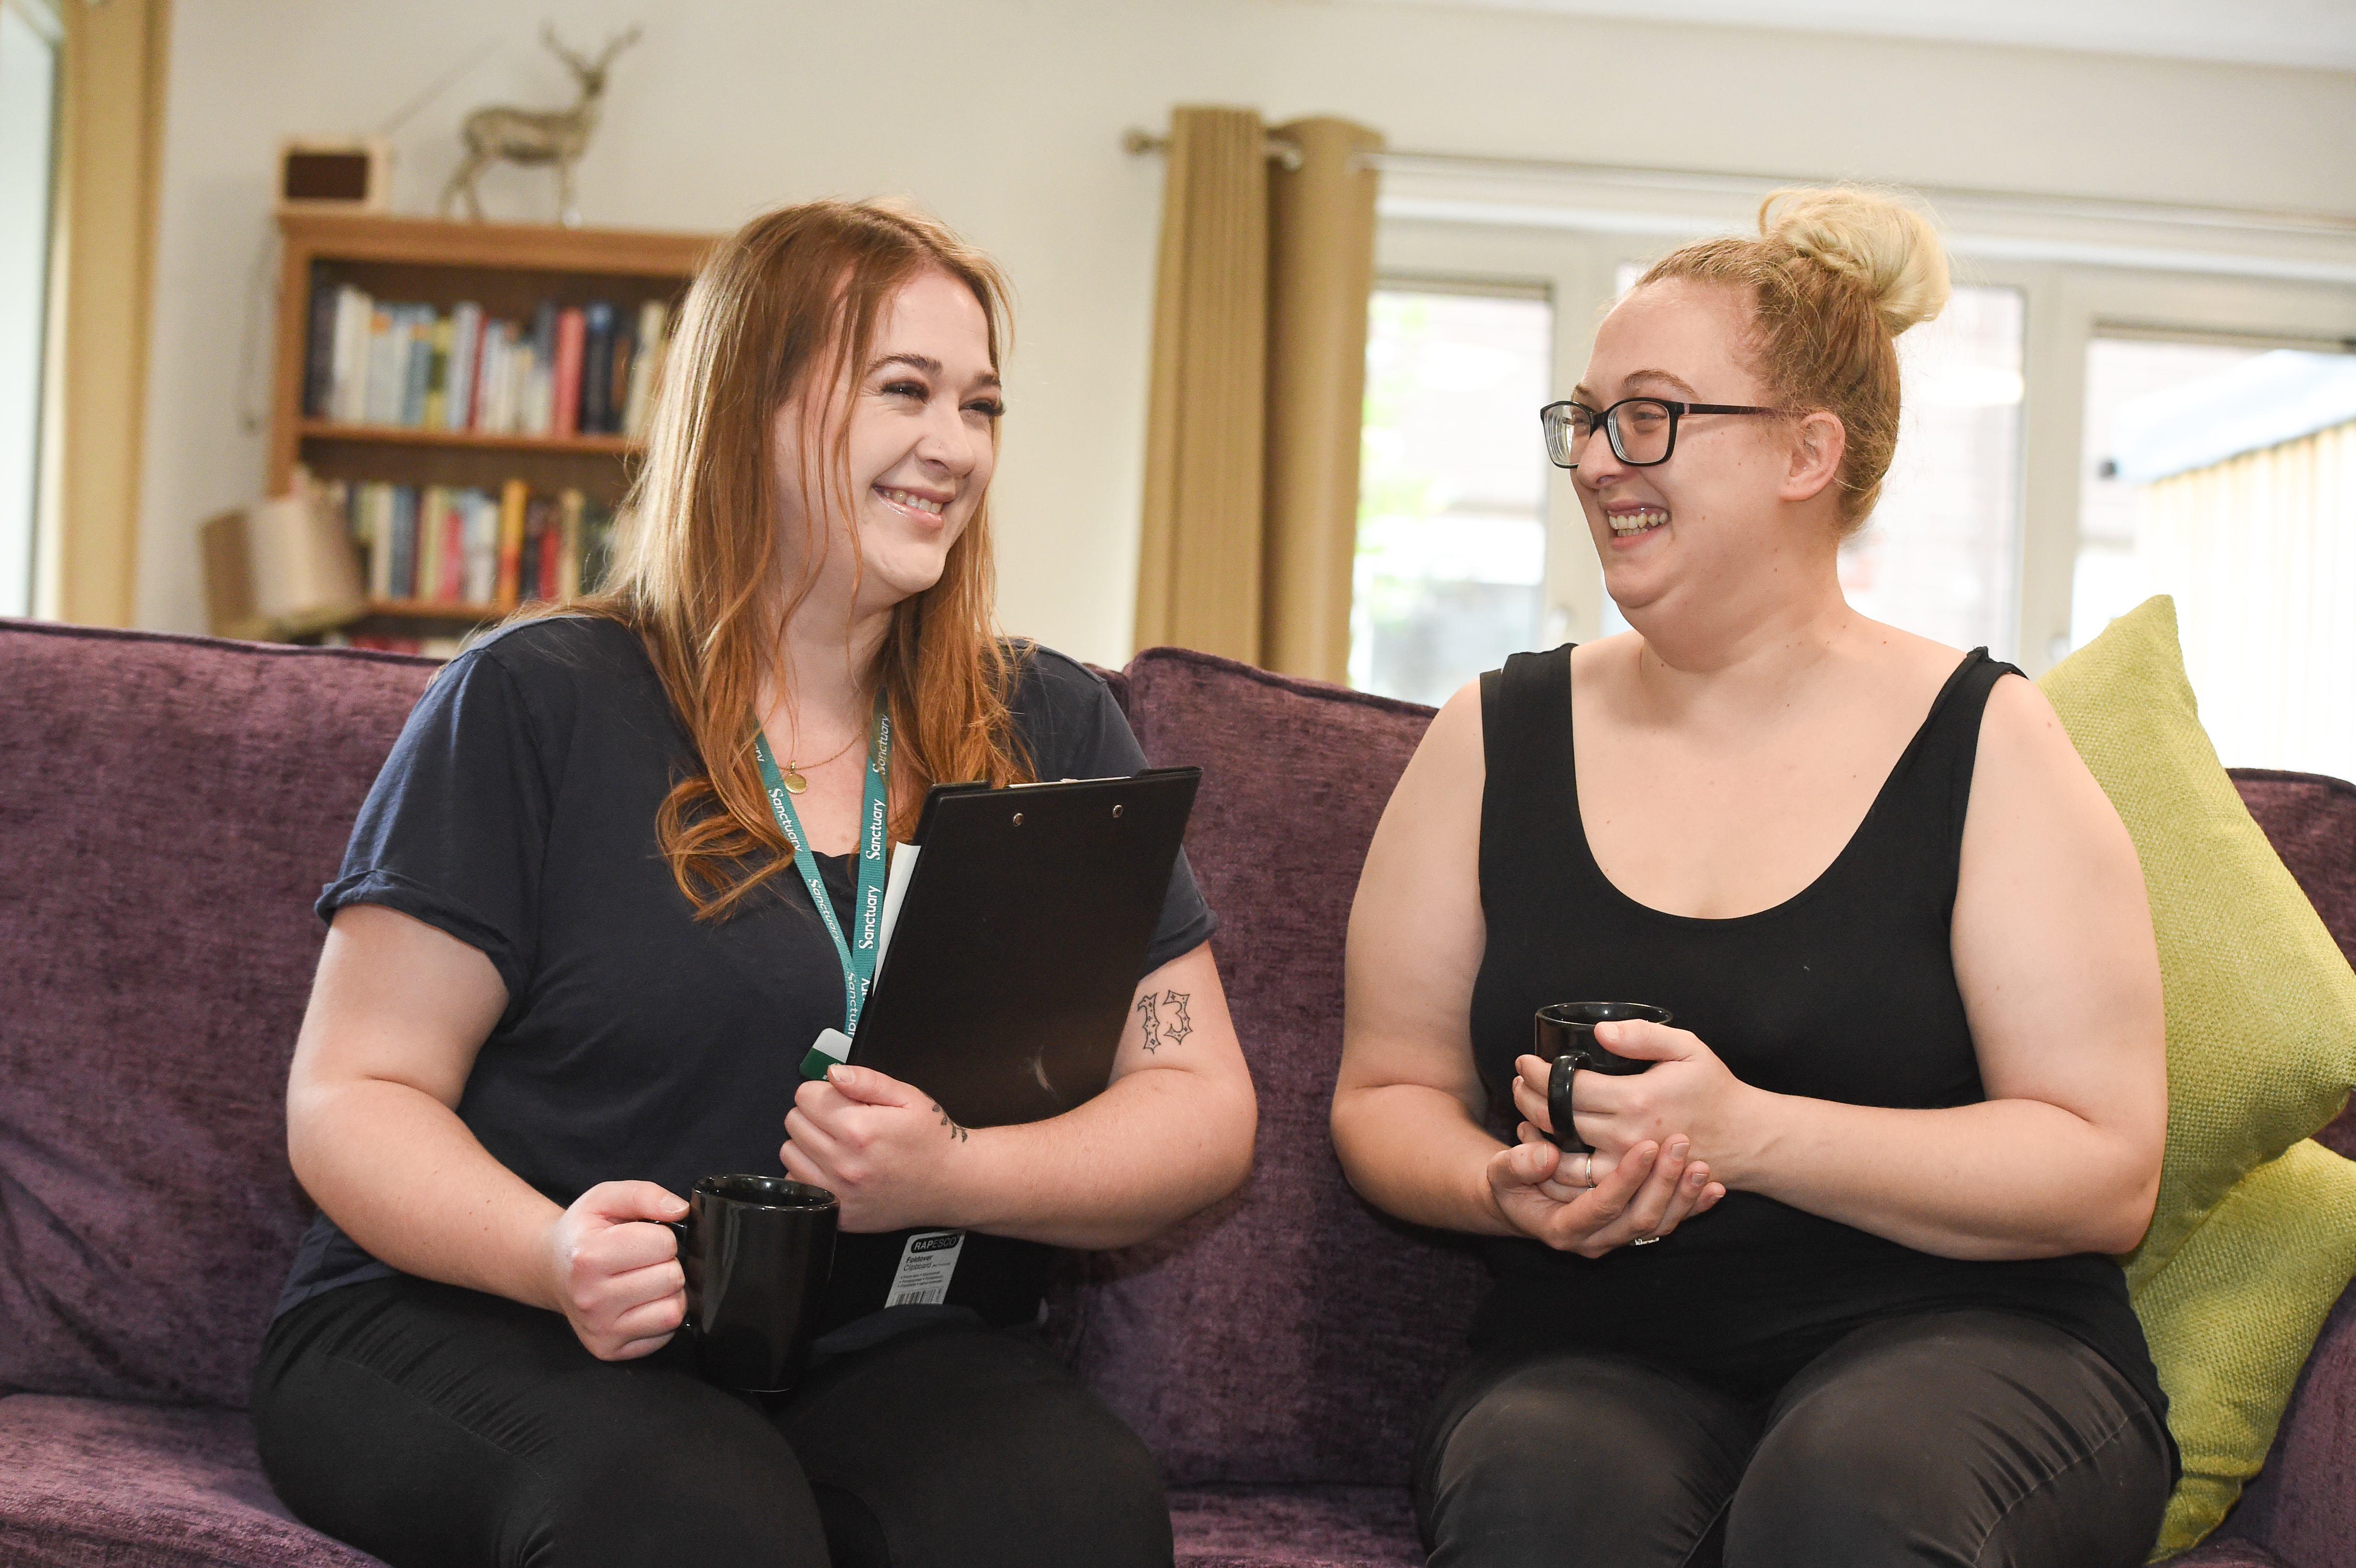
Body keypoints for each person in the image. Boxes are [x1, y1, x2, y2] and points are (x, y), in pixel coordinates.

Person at [252, 199, 1256, 1568]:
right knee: (695, 1518)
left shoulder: (1051, 727)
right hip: (487, 1314)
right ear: (752, 411)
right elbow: (350, 1096)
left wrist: (958, 1171)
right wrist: (553, 1255)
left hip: (866, 1339)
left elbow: (1201, 1107)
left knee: (1072, 1512)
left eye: (982, 405)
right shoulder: (535, 701)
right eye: (903, 391)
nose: (953, 447)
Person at [1331, 187, 2174, 1568]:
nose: (1602, 460)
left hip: (1972, 1344)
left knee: (1846, 1497)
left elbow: (2102, 1168)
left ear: (1809, 451)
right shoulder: (1491, 737)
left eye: (1650, 415)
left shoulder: (1988, 739)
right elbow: (1385, 1095)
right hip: (1597, 1349)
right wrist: (1501, 1187)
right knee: (1541, 1504)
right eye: (1586, 421)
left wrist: (1752, 1134)